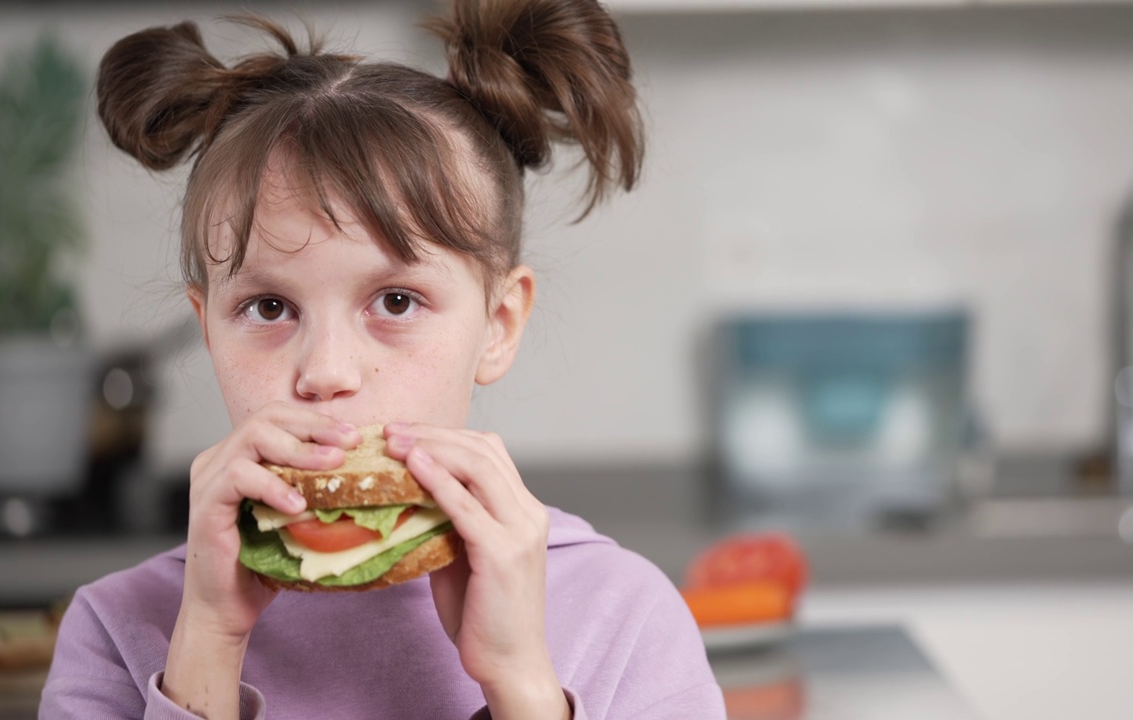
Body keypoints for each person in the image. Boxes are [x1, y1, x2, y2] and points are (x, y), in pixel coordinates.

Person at [39, 1, 724, 718]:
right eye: (269, 308)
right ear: (208, 329)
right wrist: (205, 646)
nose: (327, 373)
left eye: (396, 301)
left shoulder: (625, 615)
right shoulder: (118, 629)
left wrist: (521, 682)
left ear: (498, 323)